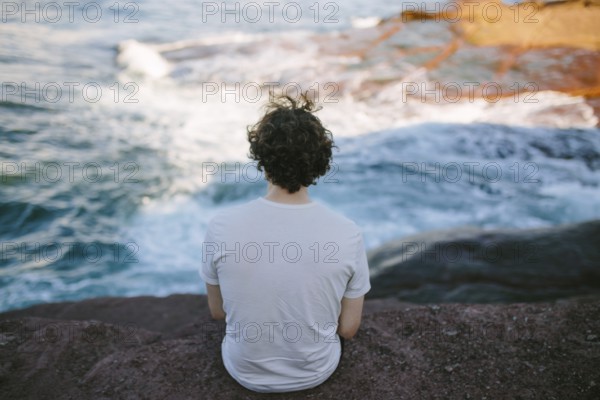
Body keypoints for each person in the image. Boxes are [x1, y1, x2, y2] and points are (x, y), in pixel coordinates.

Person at [200, 93, 371, 393]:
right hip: (316, 372)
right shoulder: (348, 233)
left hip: (243, 371)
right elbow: (348, 328)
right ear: (320, 163)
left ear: (262, 159)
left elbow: (218, 312)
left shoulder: (221, 227)